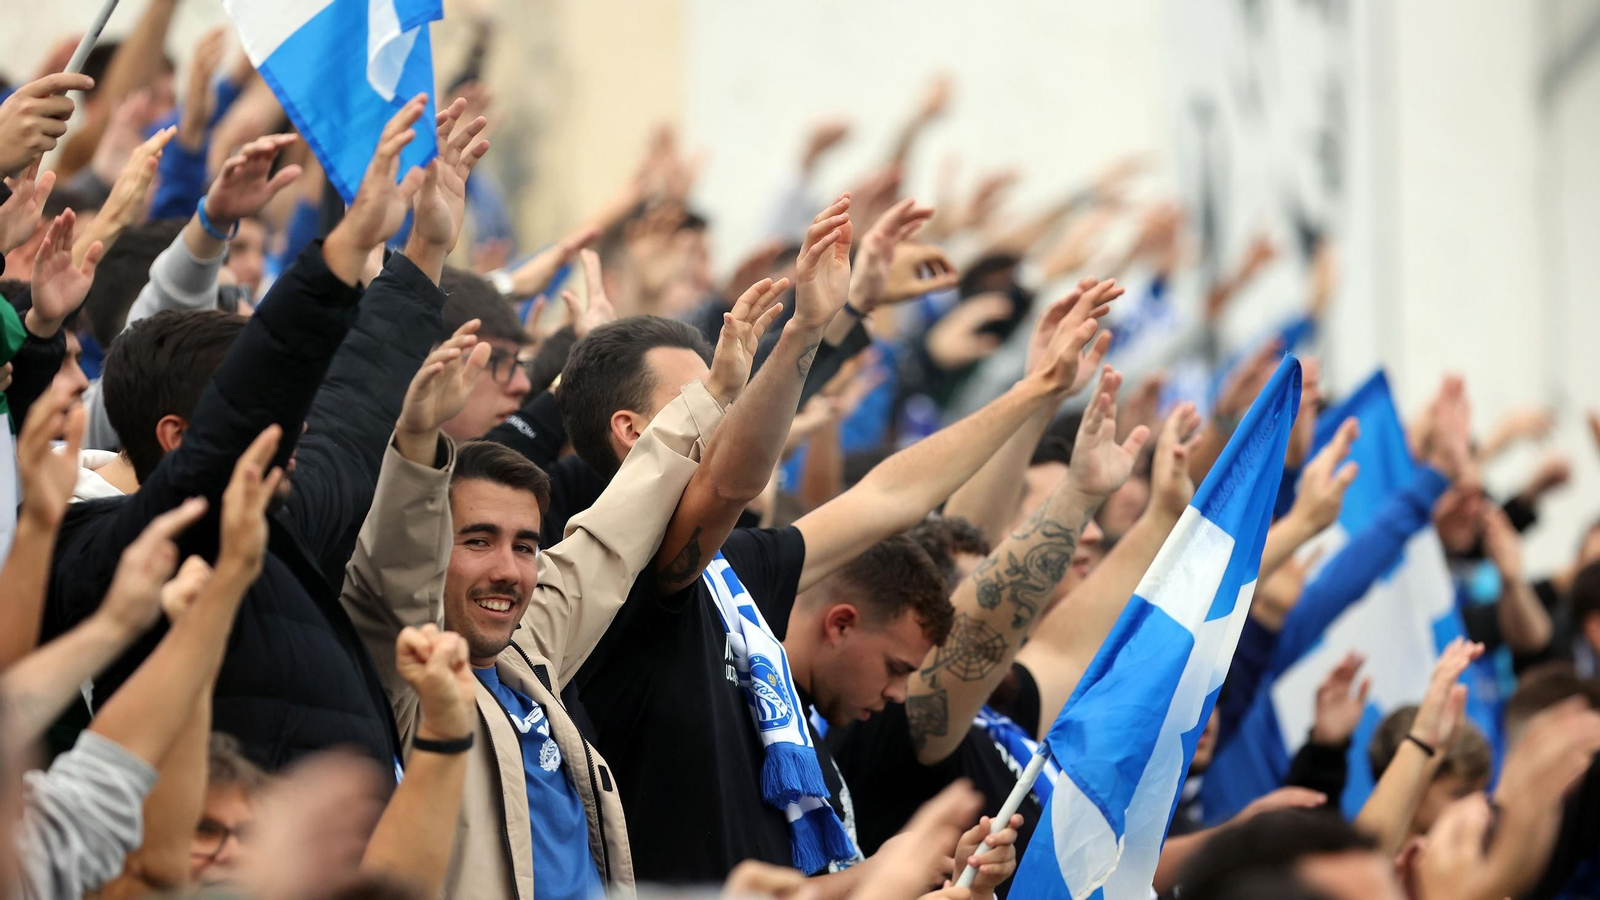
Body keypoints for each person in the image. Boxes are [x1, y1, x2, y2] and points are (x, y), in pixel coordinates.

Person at [40, 97, 476, 775]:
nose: (297, 427)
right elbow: (257, 396)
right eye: (273, 415)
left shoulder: (276, 511)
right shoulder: (96, 549)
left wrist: (425, 249)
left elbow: (350, 410)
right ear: (180, 436)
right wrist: (341, 256)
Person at [340, 285, 741, 897]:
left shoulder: (528, 652)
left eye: (525, 546)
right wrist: (418, 441)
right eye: (477, 541)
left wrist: (711, 397)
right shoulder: (411, 674)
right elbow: (393, 562)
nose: (509, 570)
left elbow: (616, 530)